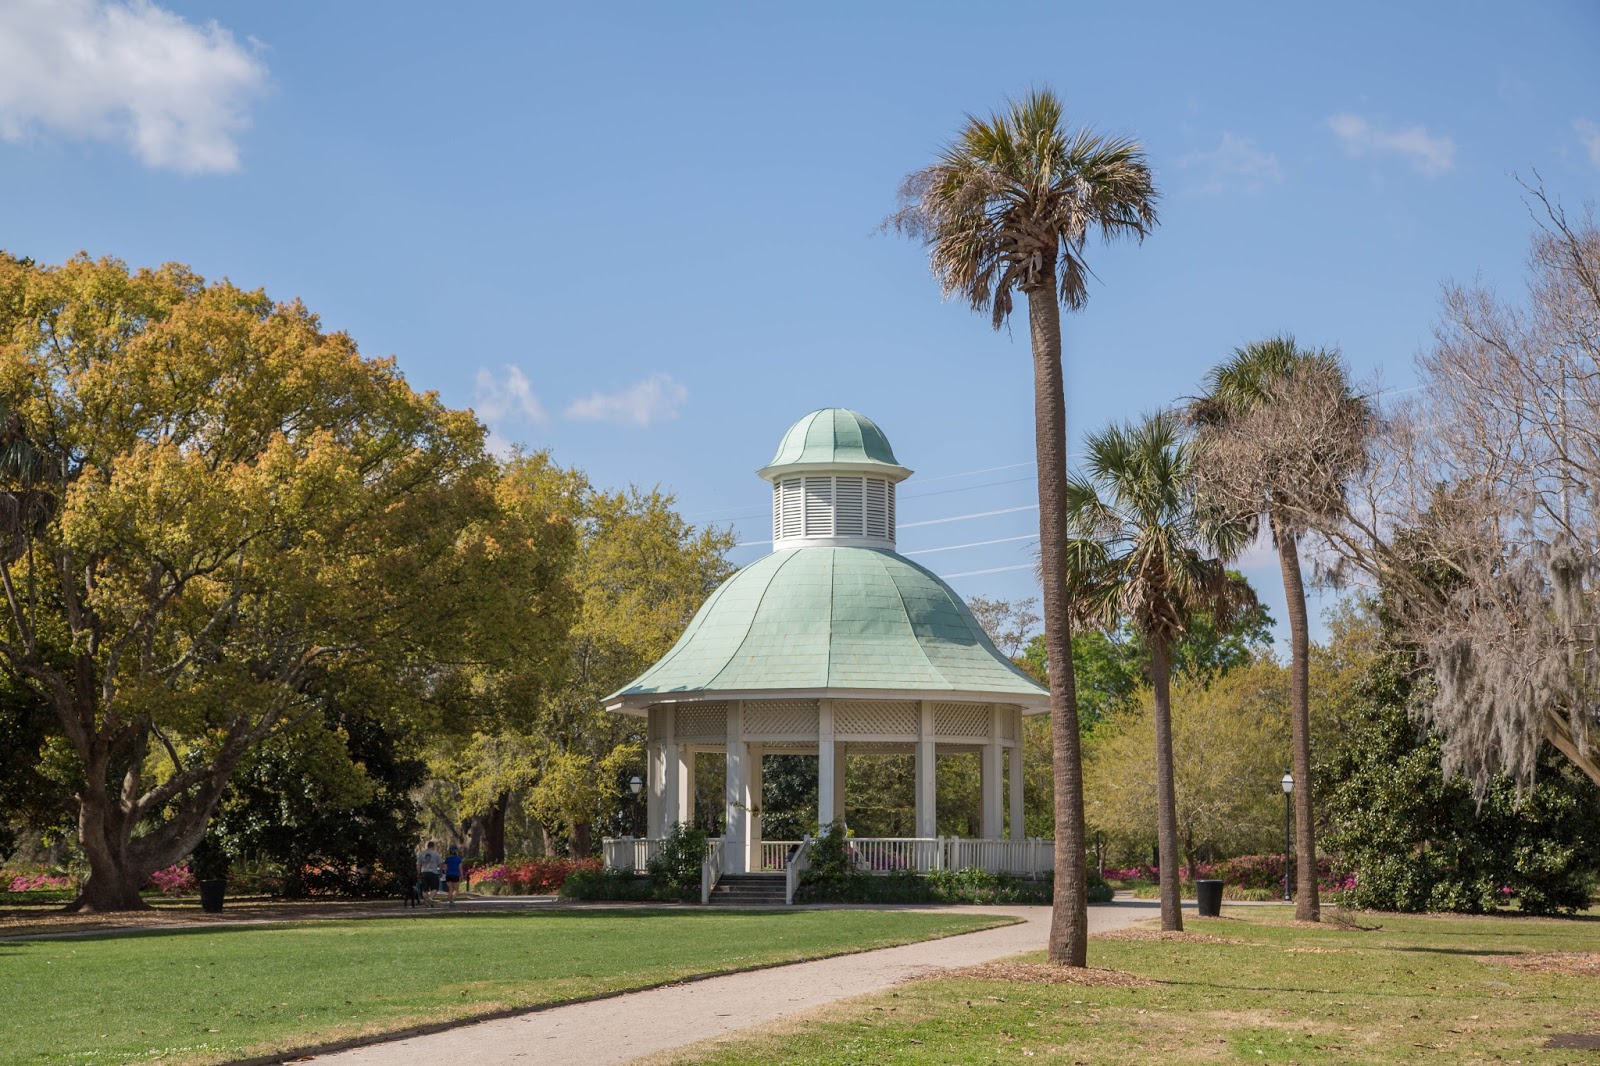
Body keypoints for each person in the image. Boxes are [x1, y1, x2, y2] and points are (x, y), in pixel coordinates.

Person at [416, 840, 443, 906]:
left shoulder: (422, 854)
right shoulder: (436, 854)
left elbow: (418, 865)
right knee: (435, 888)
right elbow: (441, 864)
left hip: (424, 872)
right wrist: (440, 872)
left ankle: (427, 902)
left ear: (427, 846)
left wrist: (418, 873)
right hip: (433, 872)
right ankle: (430, 898)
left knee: (425, 889)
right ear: (433, 846)